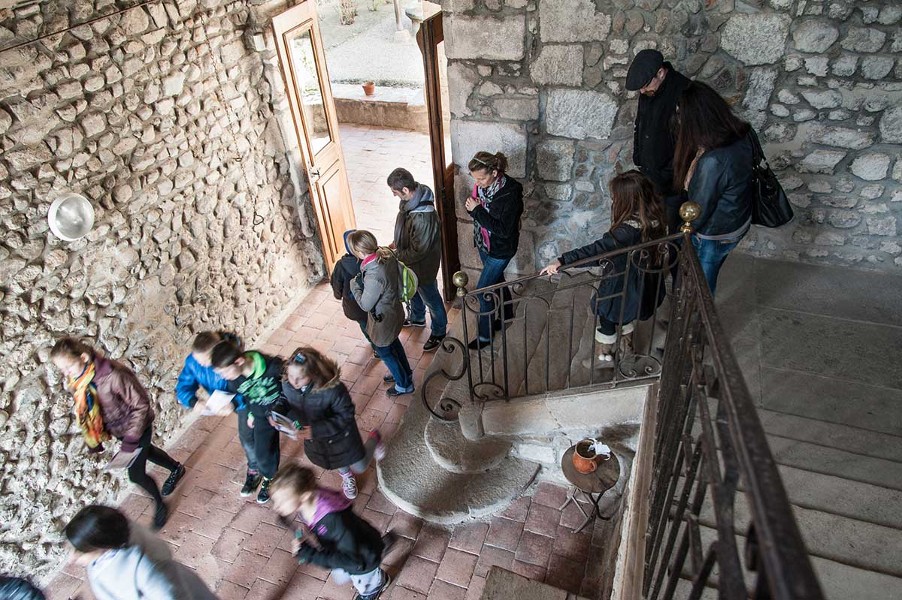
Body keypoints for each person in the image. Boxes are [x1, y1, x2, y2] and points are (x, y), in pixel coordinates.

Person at [50, 338, 185, 530]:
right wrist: (95, 436)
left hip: (137, 428)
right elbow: (91, 411)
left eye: (68, 366)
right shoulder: (80, 380)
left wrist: (131, 440)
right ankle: (176, 468)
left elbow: (141, 406)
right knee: (148, 452)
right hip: (120, 429)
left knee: (136, 474)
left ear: (83, 357)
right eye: (61, 369)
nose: (66, 373)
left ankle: (160, 505)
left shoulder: (113, 374)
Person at [540, 171, 666, 364]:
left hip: (620, 285)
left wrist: (563, 261)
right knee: (626, 313)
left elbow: (596, 252)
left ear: (627, 199)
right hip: (642, 283)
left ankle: (604, 356)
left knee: (607, 317)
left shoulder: (625, 232)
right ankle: (628, 348)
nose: (614, 199)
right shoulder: (654, 218)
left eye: (616, 196)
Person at [673, 81, 754, 295]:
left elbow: (697, 211)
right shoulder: (740, 133)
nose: (679, 120)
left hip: (715, 233)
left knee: (702, 285)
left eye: (682, 115)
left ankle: (696, 324)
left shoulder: (714, 161)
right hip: (737, 219)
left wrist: (683, 234)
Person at [270, 464, 391, 600]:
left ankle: (375, 587)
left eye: (281, 502)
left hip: (362, 559)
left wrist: (308, 554)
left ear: (304, 496)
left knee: (364, 581)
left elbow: (352, 561)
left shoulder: (333, 520)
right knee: (343, 573)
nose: (276, 507)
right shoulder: (309, 501)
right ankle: (378, 564)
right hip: (353, 545)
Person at [279, 346, 386, 500]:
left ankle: (374, 439)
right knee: (336, 460)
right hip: (317, 440)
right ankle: (346, 475)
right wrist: (277, 411)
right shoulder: (287, 383)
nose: (293, 382)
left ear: (313, 373)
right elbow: (284, 397)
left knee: (360, 465)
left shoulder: (333, 390)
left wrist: (315, 430)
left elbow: (346, 415)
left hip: (340, 436)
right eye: (290, 375)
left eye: (300, 378)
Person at [63, 505, 218, 600]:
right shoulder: (114, 530)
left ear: (103, 546)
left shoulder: (148, 571)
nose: (71, 558)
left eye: (80, 552)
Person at [175, 331, 263, 498]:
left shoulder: (232, 359)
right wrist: (194, 402)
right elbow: (183, 387)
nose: (201, 365)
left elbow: (251, 388)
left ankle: (256, 469)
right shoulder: (194, 362)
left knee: (248, 437)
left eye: (205, 361)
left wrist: (235, 403)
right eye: (197, 361)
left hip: (245, 402)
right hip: (225, 401)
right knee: (252, 434)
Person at [626, 49, 691, 232]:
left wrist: (667, 172)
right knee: (651, 227)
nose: (642, 90)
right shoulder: (649, 91)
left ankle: (671, 260)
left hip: (671, 182)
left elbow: (687, 143)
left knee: (672, 230)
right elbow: (640, 124)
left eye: (645, 85)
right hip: (650, 174)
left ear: (661, 73)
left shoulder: (684, 92)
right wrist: (638, 157)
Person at [464, 151, 524, 350]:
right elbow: (471, 207)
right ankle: (507, 313)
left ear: (495, 172)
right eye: (475, 179)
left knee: (482, 293)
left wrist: (477, 210)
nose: (478, 182)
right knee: (497, 280)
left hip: (500, 249)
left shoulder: (510, 193)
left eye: (482, 178)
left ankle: (485, 336)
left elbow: (504, 230)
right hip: (483, 243)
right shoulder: (482, 186)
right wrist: (473, 209)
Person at [211, 341, 283, 503]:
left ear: (239, 361)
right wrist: (251, 413)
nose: (224, 377)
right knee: (262, 453)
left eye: (225, 372)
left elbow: (290, 387)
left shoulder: (274, 367)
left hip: (283, 410)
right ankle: (269, 478)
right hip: (260, 414)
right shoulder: (234, 379)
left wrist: (281, 412)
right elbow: (248, 396)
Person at [386, 168, 448, 352]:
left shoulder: (422, 217)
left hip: (423, 266)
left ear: (405, 190)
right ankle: (418, 318)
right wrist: (397, 242)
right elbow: (408, 231)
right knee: (413, 291)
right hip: (412, 264)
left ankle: (439, 331)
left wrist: (394, 255)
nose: (394, 196)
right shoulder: (415, 199)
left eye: (395, 192)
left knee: (431, 297)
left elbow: (418, 251)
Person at [347, 230, 415, 397]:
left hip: (383, 318)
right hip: (394, 309)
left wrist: (354, 286)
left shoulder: (374, 275)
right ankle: (405, 372)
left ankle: (404, 385)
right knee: (393, 343)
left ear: (361, 252)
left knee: (384, 350)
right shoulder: (386, 253)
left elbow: (365, 304)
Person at [331, 230, 380, 361]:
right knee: (378, 323)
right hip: (376, 302)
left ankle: (377, 347)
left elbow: (337, 284)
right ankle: (383, 343)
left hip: (355, 306)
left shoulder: (341, 265)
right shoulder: (374, 259)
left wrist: (338, 295)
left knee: (365, 326)